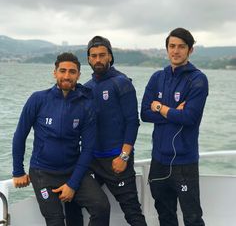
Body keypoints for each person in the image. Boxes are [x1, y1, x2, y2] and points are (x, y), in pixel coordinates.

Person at [12, 52, 107, 226]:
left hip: (72, 170)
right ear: (54, 72)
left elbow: (87, 149)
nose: (66, 75)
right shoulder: (38, 99)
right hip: (43, 173)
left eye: (72, 72)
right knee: (55, 221)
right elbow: (20, 135)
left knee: (101, 207)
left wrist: (72, 184)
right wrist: (18, 171)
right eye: (62, 71)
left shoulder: (86, 105)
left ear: (78, 75)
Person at [141, 28, 208, 226]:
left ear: (190, 50)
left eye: (181, 46)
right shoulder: (157, 77)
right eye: (172, 46)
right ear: (167, 49)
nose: (176, 51)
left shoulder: (197, 79)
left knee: (192, 218)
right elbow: (145, 113)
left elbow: (189, 117)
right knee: (165, 215)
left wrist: (160, 107)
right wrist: (173, 113)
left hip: (184, 163)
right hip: (159, 161)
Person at [82, 36, 147, 226]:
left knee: (132, 212)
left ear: (110, 56)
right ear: (88, 59)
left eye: (102, 55)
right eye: (93, 56)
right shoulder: (86, 88)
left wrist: (124, 156)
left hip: (117, 160)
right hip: (93, 161)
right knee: (76, 202)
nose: (98, 60)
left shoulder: (121, 82)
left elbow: (132, 122)